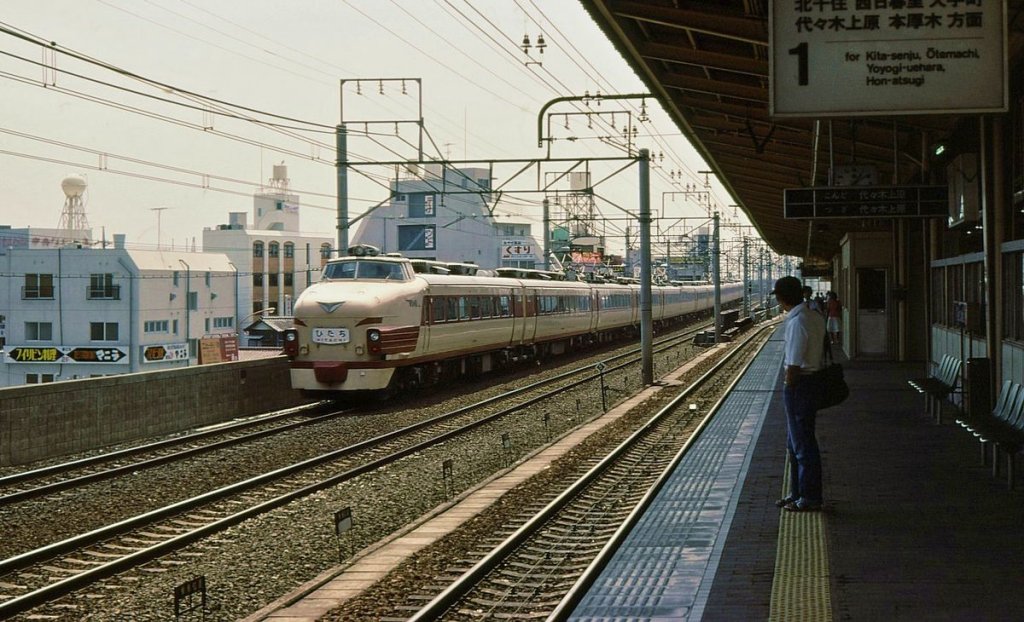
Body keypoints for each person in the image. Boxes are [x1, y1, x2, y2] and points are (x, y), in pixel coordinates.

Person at [773, 276, 827, 512]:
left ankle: (809, 497)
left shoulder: (797, 322)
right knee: (796, 443)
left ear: (781, 298)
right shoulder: (814, 316)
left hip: (800, 386)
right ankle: (797, 493)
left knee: (802, 445)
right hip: (812, 381)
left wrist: (788, 385)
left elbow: (793, 364)